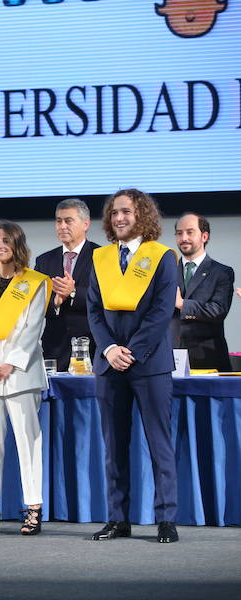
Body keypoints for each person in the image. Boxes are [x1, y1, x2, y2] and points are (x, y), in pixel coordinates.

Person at [87, 189, 179, 543]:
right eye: (114, 213)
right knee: (114, 447)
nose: (119, 218)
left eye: (126, 211)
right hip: (110, 365)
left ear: (142, 214)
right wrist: (110, 349)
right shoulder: (101, 258)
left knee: (159, 445)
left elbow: (161, 312)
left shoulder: (162, 256)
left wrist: (132, 351)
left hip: (150, 364)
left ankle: (166, 519)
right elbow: (94, 311)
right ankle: (118, 519)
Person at [0, 220, 50, 536]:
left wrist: (9, 364)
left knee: (28, 442)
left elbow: (33, 328)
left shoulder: (35, 283)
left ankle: (33, 508)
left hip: (21, 374)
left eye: (5, 240)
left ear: (17, 245)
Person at [33, 199, 100, 372]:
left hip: (92, 347)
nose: (62, 226)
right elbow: (35, 304)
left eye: (68, 221)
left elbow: (106, 299)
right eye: (58, 221)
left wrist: (73, 292)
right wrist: (55, 302)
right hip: (54, 349)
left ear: (85, 224)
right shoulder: (44, 261)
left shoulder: (101, 256)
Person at [172, 213, 234, 371]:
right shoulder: (166, 272)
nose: (184, 238)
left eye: (190, 232)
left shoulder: (222, 272)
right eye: (179, 233)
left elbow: (217, 311)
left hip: (208, 358)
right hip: (170, 357)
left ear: (204, 236)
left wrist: (182, 304)